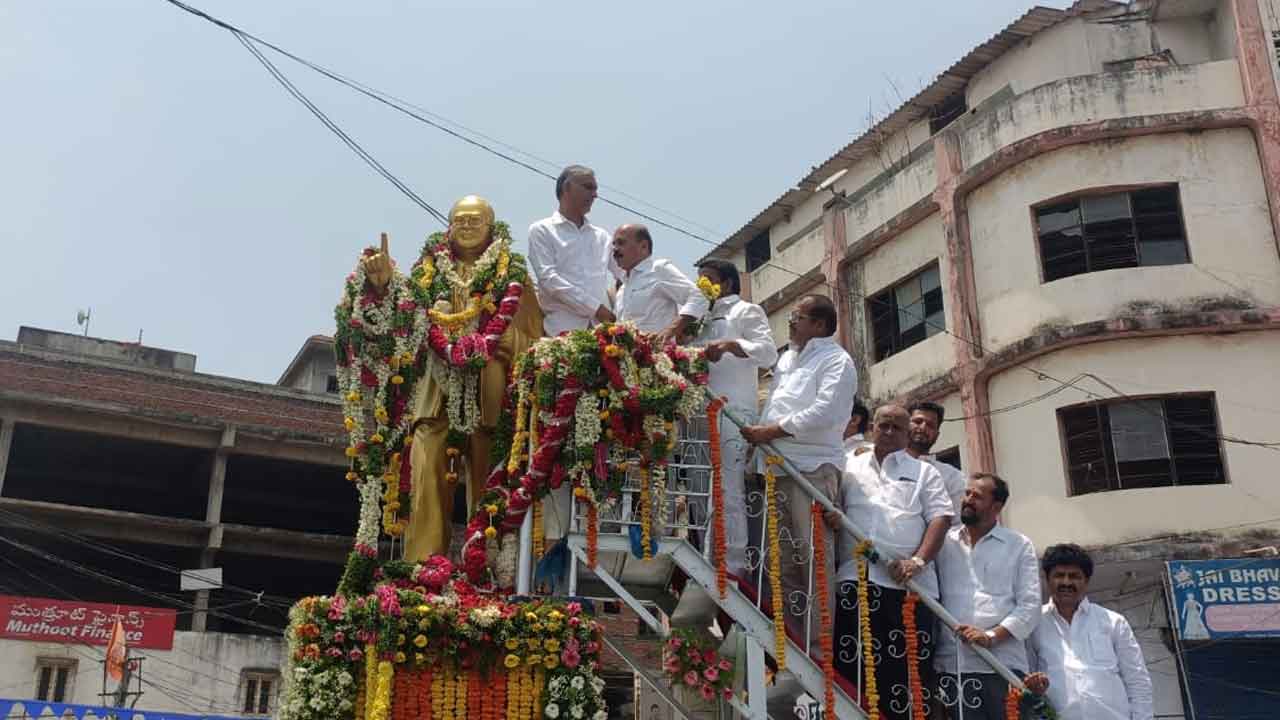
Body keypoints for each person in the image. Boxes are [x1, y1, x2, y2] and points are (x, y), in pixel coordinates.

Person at [357, 196, 544, 560]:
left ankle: (488, 569)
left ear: (491, 227)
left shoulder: (514, 277)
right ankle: (422, 567)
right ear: (449, 226)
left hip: (489, 398)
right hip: (435, 392)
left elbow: (535, 343)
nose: (468, 226)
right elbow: (398, 326)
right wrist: (380, 288)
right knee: (426, 473)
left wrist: (507, 340)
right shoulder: (426, 274)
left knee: (490, 484)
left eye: (476, 220)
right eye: (461, 220)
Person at [740, 294, 856, 656]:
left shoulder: (836, 359)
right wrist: (758, 442)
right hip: (776, 467)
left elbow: (826, 411)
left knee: (813, 559)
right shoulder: (788, 358)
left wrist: (771, 432)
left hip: (812, 468)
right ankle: (792, 644)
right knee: (783, 562)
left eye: (797, 316)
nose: (790, 322)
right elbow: (775, 403)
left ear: (819, 325)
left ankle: (820, 650)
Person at [834, 404, 953, 720]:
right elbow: (833, 503)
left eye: (896, 428)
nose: (888, 432)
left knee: (905, 679)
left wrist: (918, 561)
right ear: (872, 426)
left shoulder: (924, 471)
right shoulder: (850, 464)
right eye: (883, 425)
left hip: (908, 588)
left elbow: (940, 517)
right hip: (855, 580)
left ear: (906, 434)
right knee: (852, 669)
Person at [692, 259, 777, 579]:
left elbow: (768, 353)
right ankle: (705, 556)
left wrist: (730, 345)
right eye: (699, 281)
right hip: (698, 413)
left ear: (726, 284)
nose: (701, 286)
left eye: (707, 280)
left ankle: (734, 565)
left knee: (727, 488)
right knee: (701, 490)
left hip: (732, 411)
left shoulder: (746, 311)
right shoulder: (697, 317)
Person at [933, 473, 1040, 719]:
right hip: (952, 665)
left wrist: (991, 637)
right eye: (967, 493)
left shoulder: (1018, 545)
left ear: (997, 507)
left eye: (977, 496)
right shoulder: (944, 542)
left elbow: (1030, 606)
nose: (967, 500)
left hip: (1002, 667)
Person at [1024, 544, 1154, 720]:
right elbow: (1025, 682)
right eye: (1059, 575)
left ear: (1086, 580)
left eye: (1074, 576)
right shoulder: (1032, 624)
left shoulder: (1113, 622)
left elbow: (1138, 682)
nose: (1066, 582)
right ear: (1047, 579)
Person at [527, 165, 618, 336]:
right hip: (562, 331)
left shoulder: (602, 237)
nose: (595, 195)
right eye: (588, 187)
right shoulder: (542, 230)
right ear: (567, 188)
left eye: (595, 189)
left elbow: (625, 274)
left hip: (605, 334)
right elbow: (549, 280)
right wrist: (595, 308)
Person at [613, 224, 709, 345]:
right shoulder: (622, 289)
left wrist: (670, 331)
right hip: (629, 360)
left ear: (643, 246)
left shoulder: (658, 269)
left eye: (621, 243)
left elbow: (699, 297)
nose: (615, 249)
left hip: (658, 358)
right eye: (614, 244)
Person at [907, 401, 966, 520]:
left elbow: (958, 524)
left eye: (930, 425)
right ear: (905, 425)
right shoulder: (885, 463)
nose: (923, 427)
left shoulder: (952, 477)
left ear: (937, 435)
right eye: (918, 421)